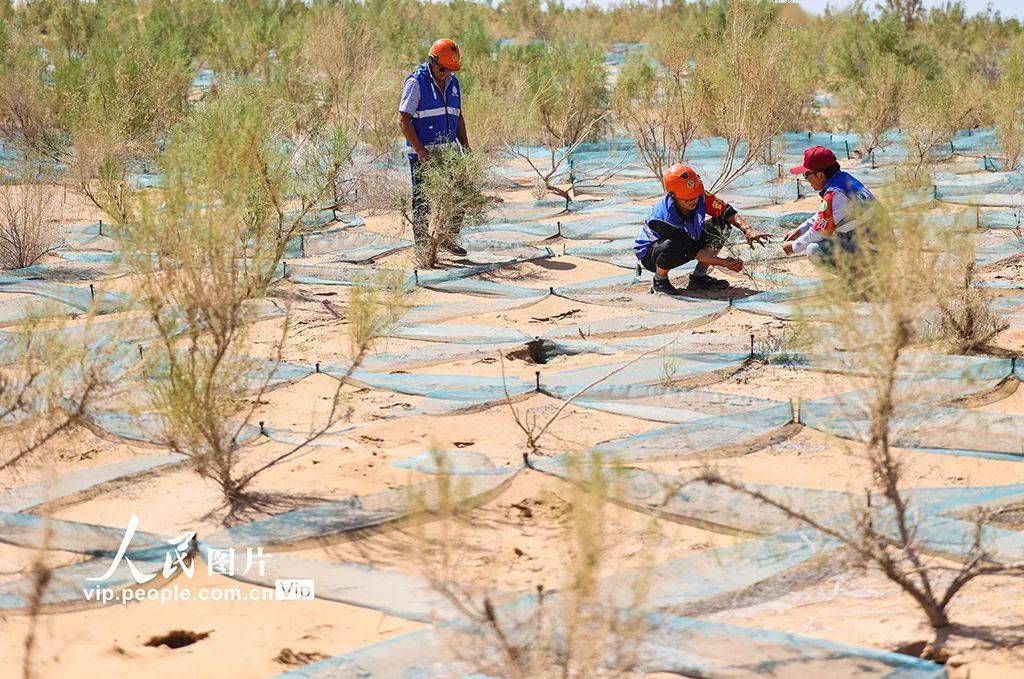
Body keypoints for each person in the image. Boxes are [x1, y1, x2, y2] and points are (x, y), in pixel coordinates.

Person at [634, 163, 771, 295]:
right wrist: (725, 263)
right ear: (673, 196)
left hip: (688, 242)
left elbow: (727, 211)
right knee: (672, 245)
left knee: (721, 225)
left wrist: (747, 230)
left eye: (695, 196)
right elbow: (694, 251)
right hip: (652, 255)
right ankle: (660, 281)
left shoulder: (701, 196)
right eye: (687, 199)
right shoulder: (664, 217)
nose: (693, 201)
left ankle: (699, 277)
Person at [397, 38, 471, 255]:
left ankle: (447, 238)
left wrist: (465, 146)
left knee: (460, 194)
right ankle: (421, 248)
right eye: (442, 69)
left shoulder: (453, 83)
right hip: (424, 154)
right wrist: (420, 151)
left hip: (449, 151)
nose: (446, 73)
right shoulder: (416, 83)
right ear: (432, 61)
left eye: (450, 70)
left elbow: (458, 116)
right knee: (422, 201)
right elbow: (403, 120)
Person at [783, 146, 879, 270]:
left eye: (806, 175)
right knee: (833, 234)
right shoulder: (843, 180)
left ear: (820, 175)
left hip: (874, 251)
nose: (806, 180)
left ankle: (861, 282)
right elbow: (824, 216)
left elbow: (820, 230)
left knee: (814, 250)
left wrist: (793, 247)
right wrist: (800, 230)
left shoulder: (835, 194)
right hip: (879, 244)